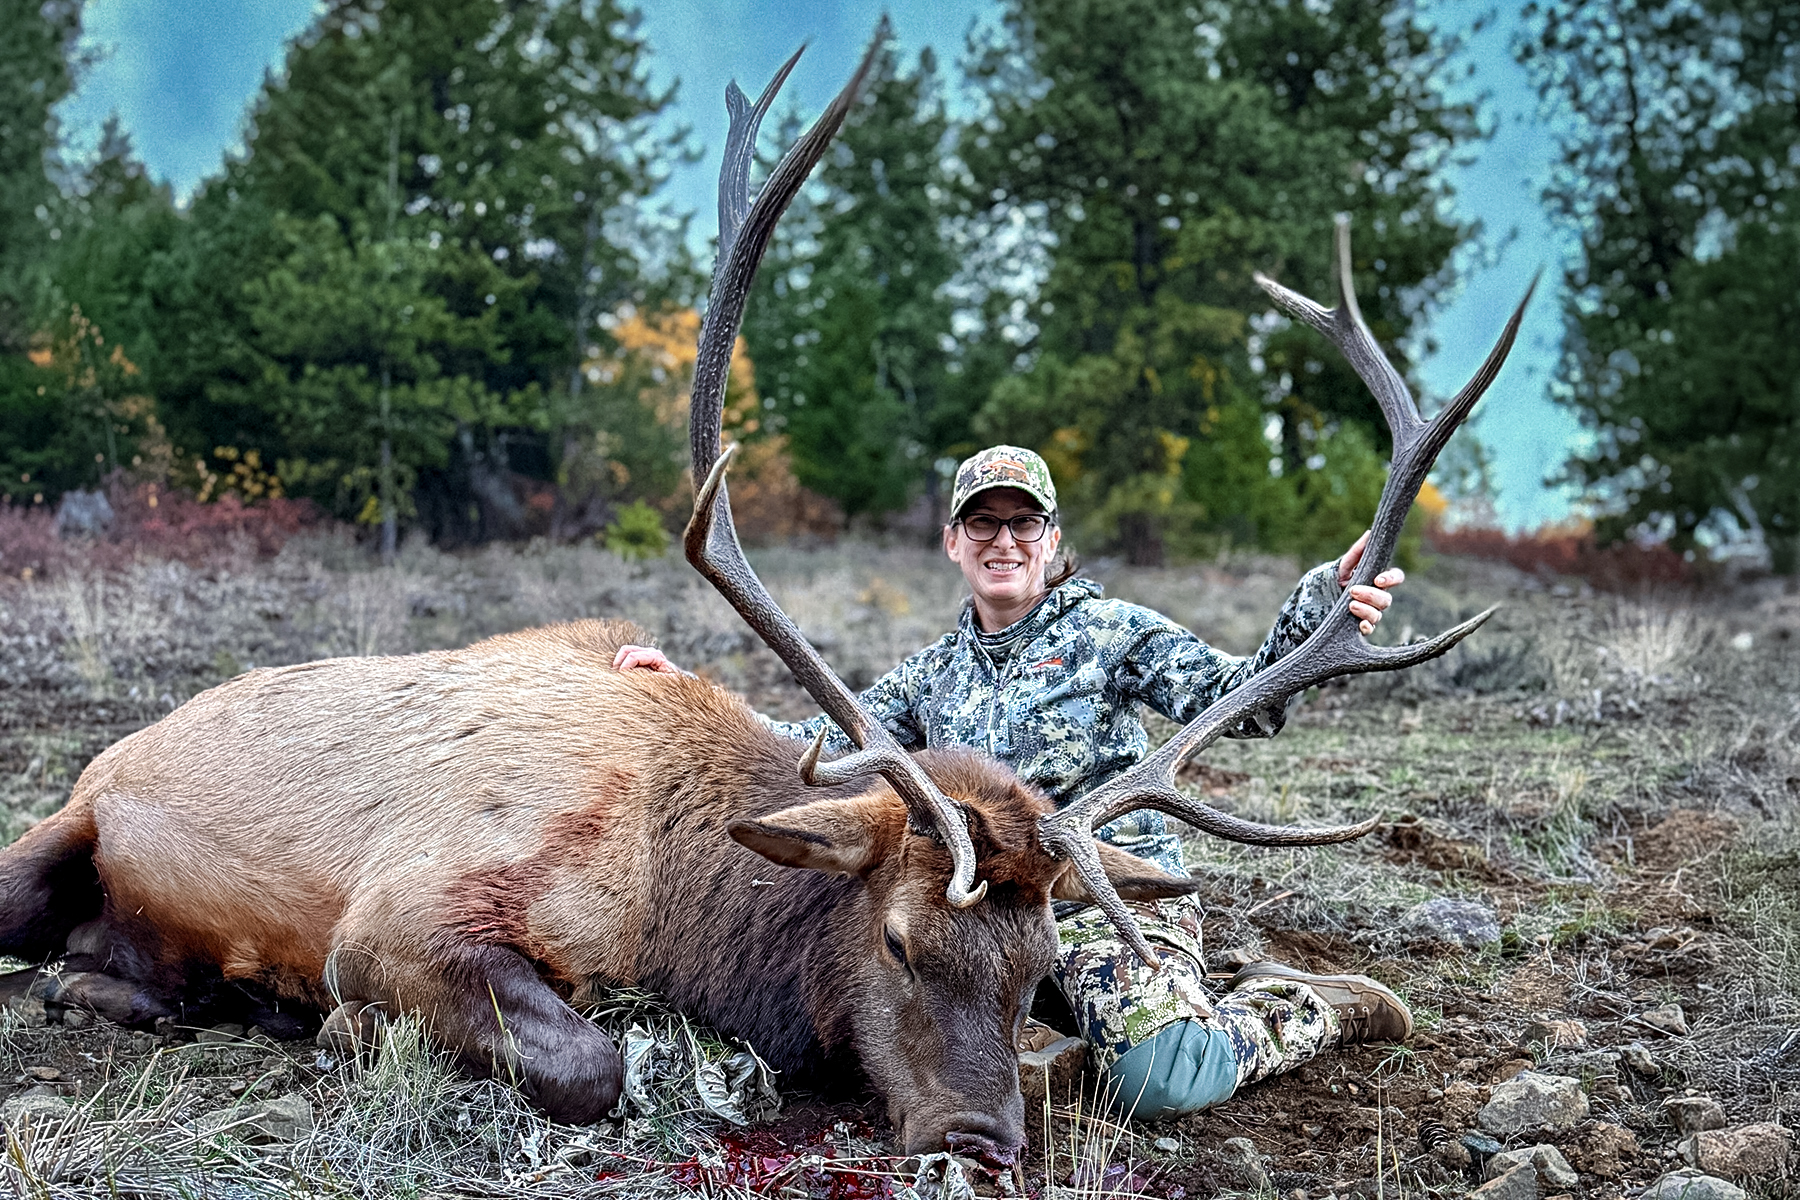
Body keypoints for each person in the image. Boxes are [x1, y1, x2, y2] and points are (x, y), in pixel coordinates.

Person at [613, 445, 1412, 1121]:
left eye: (1022, 522)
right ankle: (1059, 1036)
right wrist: (696, 693)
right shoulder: (936, 672)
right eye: (982, 523)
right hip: (976, 931)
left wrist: (1319, 612)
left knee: (1162, 1079)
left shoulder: (1110, 632)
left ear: (1050, 536)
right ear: (953, 542)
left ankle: (1307, 1006)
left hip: (1090, 898)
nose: (1004, 540)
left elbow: (1241, 702)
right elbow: (830, 746)